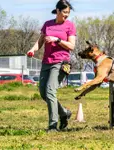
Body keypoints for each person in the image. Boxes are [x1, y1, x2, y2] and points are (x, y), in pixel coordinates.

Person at [27, 0, 76, 132]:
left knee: (50, 91)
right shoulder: (47, 24)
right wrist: (32, 50)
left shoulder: (69, 26)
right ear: (58, 11)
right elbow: (40, 41)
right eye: (64, 12)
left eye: (68, 13)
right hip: (46, 62)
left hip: (62, 62)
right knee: (44, 93)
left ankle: (53, 125)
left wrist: (57, 40)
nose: (66, 15)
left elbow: (71, 46)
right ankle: (64, 113)